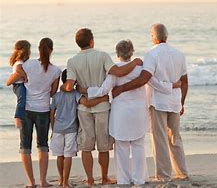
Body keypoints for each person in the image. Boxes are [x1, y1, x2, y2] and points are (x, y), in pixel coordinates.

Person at [77, 39, 181, 185]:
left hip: (121, 113)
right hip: (138, 111)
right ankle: (139, 179)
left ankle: (124, 179)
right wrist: (174, 85)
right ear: (132, 52)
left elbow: (103, 90)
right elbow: (157, 85)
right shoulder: (141, 69)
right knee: (139, 146)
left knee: (121, 147)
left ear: (117, 53)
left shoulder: (114, 71)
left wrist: (84, 90)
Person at [61, 28, 142, 186]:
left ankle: (90, 179)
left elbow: (70, 85)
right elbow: (117, 72)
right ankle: (104, 177)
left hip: (84, 109)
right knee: (103, 145)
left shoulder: (72, 61)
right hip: (103, 107)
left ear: (78, 44)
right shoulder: (102, 56)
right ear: (92, 41)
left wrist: (71, 89)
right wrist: (135, 62)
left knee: (86, 145)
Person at [112, 24, 189, 181]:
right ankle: (182, 173)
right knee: (175, 138)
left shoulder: (152, 55)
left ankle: (164, 175)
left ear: (154, 37)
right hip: (174, 101)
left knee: (159, 139)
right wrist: (182, 101)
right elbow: (185, 81)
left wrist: (122, 89)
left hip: (158, 102)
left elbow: (144, 78)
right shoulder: (179, 54)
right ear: (166, 36)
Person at [6, 37, 61, 187]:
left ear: (38, 49)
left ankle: (31, 183)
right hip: (43, 110)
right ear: (51, 50)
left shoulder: (28, 64)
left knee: (25, 146)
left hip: (26, 111)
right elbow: (52, 93)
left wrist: (24, 79)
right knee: (43, 145)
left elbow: (15, 75)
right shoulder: (56, 70)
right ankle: (43, 182)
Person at [50, 69, 109, 188]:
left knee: (59, 155)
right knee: (68, 155)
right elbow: (87, 103)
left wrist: (52, 128)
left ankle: (61, 180)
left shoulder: (56, 96)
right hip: (71, 129)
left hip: (57, 129)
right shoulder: (75, 94)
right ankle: (66, 182)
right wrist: (102, 99)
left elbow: (51, 113)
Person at [6, 40, 31, 129]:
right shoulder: (19, 62)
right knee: (21, 100)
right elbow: (18, 70)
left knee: (22, 100)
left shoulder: (21, 62)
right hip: (18, 85)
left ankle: (20, 116)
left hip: (19, 84)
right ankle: (18, 117)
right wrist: (25, 76)